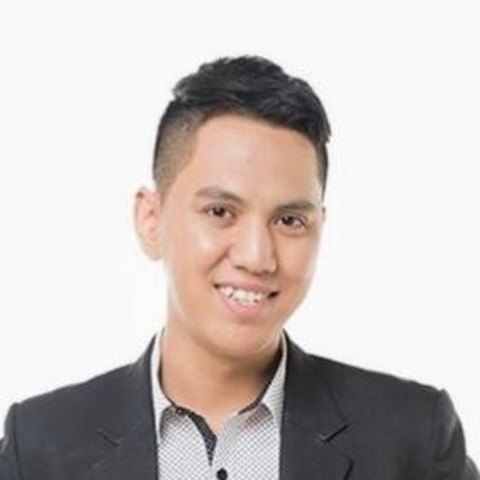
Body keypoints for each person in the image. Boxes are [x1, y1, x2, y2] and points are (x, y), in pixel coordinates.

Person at [0, 56, 477, 480]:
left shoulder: (414, 438)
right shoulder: (39, 445)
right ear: (151, 220)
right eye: (220, 212)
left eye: (289, 221)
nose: (257, 256)